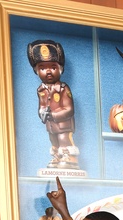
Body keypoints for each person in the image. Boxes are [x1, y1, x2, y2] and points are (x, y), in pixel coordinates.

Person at [27, 39, 80, 170]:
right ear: (36, 71)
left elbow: (69, 109)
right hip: (50, 125)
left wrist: (54, 115)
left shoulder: (63, 89)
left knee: (63, 139)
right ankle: (57, 157)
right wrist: (42, 113)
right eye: (42, 68)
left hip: (63, 125)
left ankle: (69, 158)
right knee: (54, 140)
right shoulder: (41, 90)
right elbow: (41, 106)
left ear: (60, 69)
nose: (48, 71)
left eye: (53, 67)